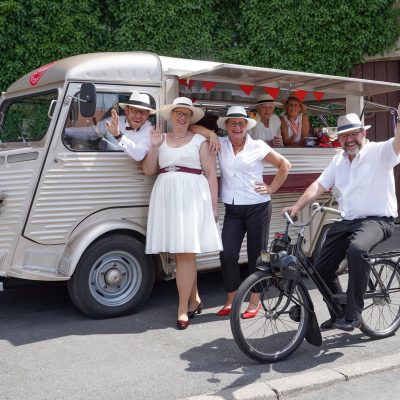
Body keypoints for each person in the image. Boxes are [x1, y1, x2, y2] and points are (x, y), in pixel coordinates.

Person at [282, 111, 400, 331]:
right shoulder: (339, 159)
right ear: (339, 139)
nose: (349, 140)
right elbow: (319, 185)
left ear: (363, 133)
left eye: (354, 134)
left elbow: (397, 142)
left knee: (357, 250)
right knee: (320, 267)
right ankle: (339, 313)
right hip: (347, 221)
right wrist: (297, 206)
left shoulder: (379, 152)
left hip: (377, 220)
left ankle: (354, 313)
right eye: (344, 136)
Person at [142, 97, 222, 330]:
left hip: (192, 197)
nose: (182, 117)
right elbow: (148, 170)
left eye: (187, 114)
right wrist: (155, 147)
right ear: (171, 115)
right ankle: (194, 300)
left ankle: (181, 309)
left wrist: (213, 207)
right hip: (167, 196)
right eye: (178, 112)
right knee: (181, 253)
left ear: (191, 118)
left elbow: (210, 174)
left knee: (185, 252)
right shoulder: (161, 139)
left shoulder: (200, 140)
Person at [216, 106, 291, 317]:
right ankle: (231, 299)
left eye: (241, 123)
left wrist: (271, 188)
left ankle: (255, 300)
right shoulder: (220, 144)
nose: (237, 127)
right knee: (227, 254)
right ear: (227, 127)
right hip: (232, 208)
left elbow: (285, 165)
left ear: (246, 127)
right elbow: (199, 131)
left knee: (256, 255)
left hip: (258, 206)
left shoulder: (257, 146)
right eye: (233, 123)